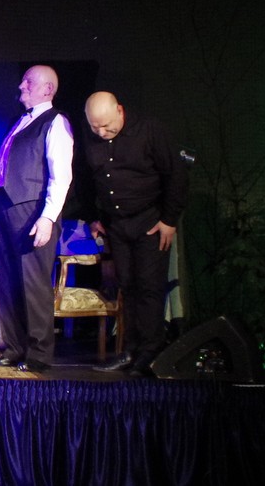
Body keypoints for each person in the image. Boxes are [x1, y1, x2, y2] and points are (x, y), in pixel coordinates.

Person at [83, 91, 188, 377]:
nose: (101, 132)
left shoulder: (149, 130)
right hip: (117, 224)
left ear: (119, 110)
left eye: (106, 126)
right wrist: (94, 217)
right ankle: (130, 349)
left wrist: (169, 220)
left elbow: (176, 175)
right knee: (127, 285)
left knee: (149, 286)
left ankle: (151, 351)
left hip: (150, 221)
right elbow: (86, 178)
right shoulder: (92, 137)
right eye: (95, 127)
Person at [0, 65, 74, 373]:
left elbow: (61, 175)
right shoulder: (20, 120)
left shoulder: (55, 121)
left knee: (33, 283)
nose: (21, 85)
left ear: (48, 89)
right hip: (6, 209)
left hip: (32, 210)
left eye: (29, 81)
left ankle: (39, 354)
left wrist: (47, 217)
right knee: (9, 281)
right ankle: (14, 347)